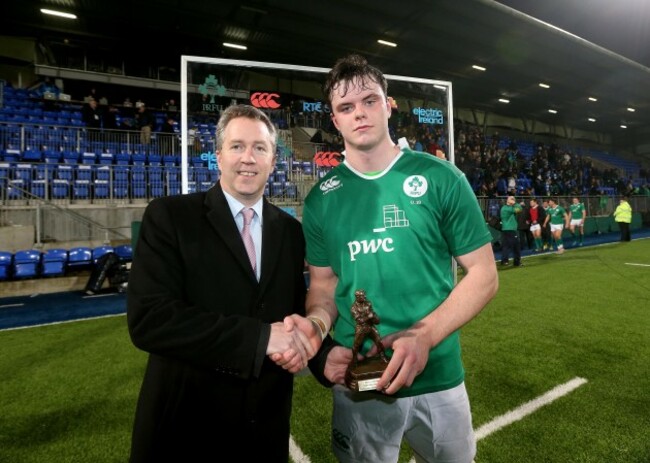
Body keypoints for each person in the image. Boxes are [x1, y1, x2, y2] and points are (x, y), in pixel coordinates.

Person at [275, 54, 498, 463]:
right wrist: (317, 327)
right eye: (346, 107)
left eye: (369, 101)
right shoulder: (321, 201)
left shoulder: (441, 178)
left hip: (439, 375)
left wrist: (425, 336)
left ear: (388, 104)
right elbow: (323, 287)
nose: (359, 113)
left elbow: (484, 274)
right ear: (335, 120)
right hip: (359, 380)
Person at [127, 104, 313, 462]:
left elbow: (293, 315)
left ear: (273, 161)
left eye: (260, 148)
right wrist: (259, 339)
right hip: (188, 432)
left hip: (264, 432)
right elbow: (150, 319)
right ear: (218, 156)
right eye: (237, 146)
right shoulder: (170, 216)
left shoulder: (290, 232)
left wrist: (325, 356)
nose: (248, 158)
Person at [500, 195, 523, 266]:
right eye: (512, 199)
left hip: (505, 229)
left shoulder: (504, 208)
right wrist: (515, 203)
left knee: (505, 246)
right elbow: (519, 209)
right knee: (516, 246)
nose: (513, 200)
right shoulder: (507, 208)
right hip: (511, 229)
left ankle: (504, 261)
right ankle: (517, 262)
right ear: (508, 200)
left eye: (514, 199)